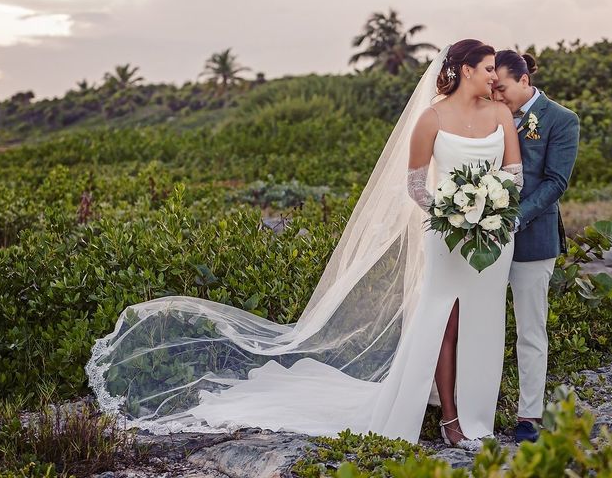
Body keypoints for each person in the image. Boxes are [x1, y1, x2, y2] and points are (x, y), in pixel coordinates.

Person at [86, 40, 522, 449]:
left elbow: (514, 174)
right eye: (487, 69)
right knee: (441, 323)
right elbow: (414, 184)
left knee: (484, 323)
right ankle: (450, 420)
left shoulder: (500, 115)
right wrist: (454, 213)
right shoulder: (432, 117)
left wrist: (487, 211)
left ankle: (478, 414)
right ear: (465, 70)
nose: (494, 77)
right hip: (446, 235)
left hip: (492, 238)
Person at [492, 50, 580, 443]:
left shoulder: (561, 119)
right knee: (482, 327)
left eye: (503, 87)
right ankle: (471, 406)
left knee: (530, 330)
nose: (498, 94)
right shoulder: (488, 113)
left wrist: (513, 218)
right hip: (484, 241)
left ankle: (528, 416)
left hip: (533, 239)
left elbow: (556, 182)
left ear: (524, 80)